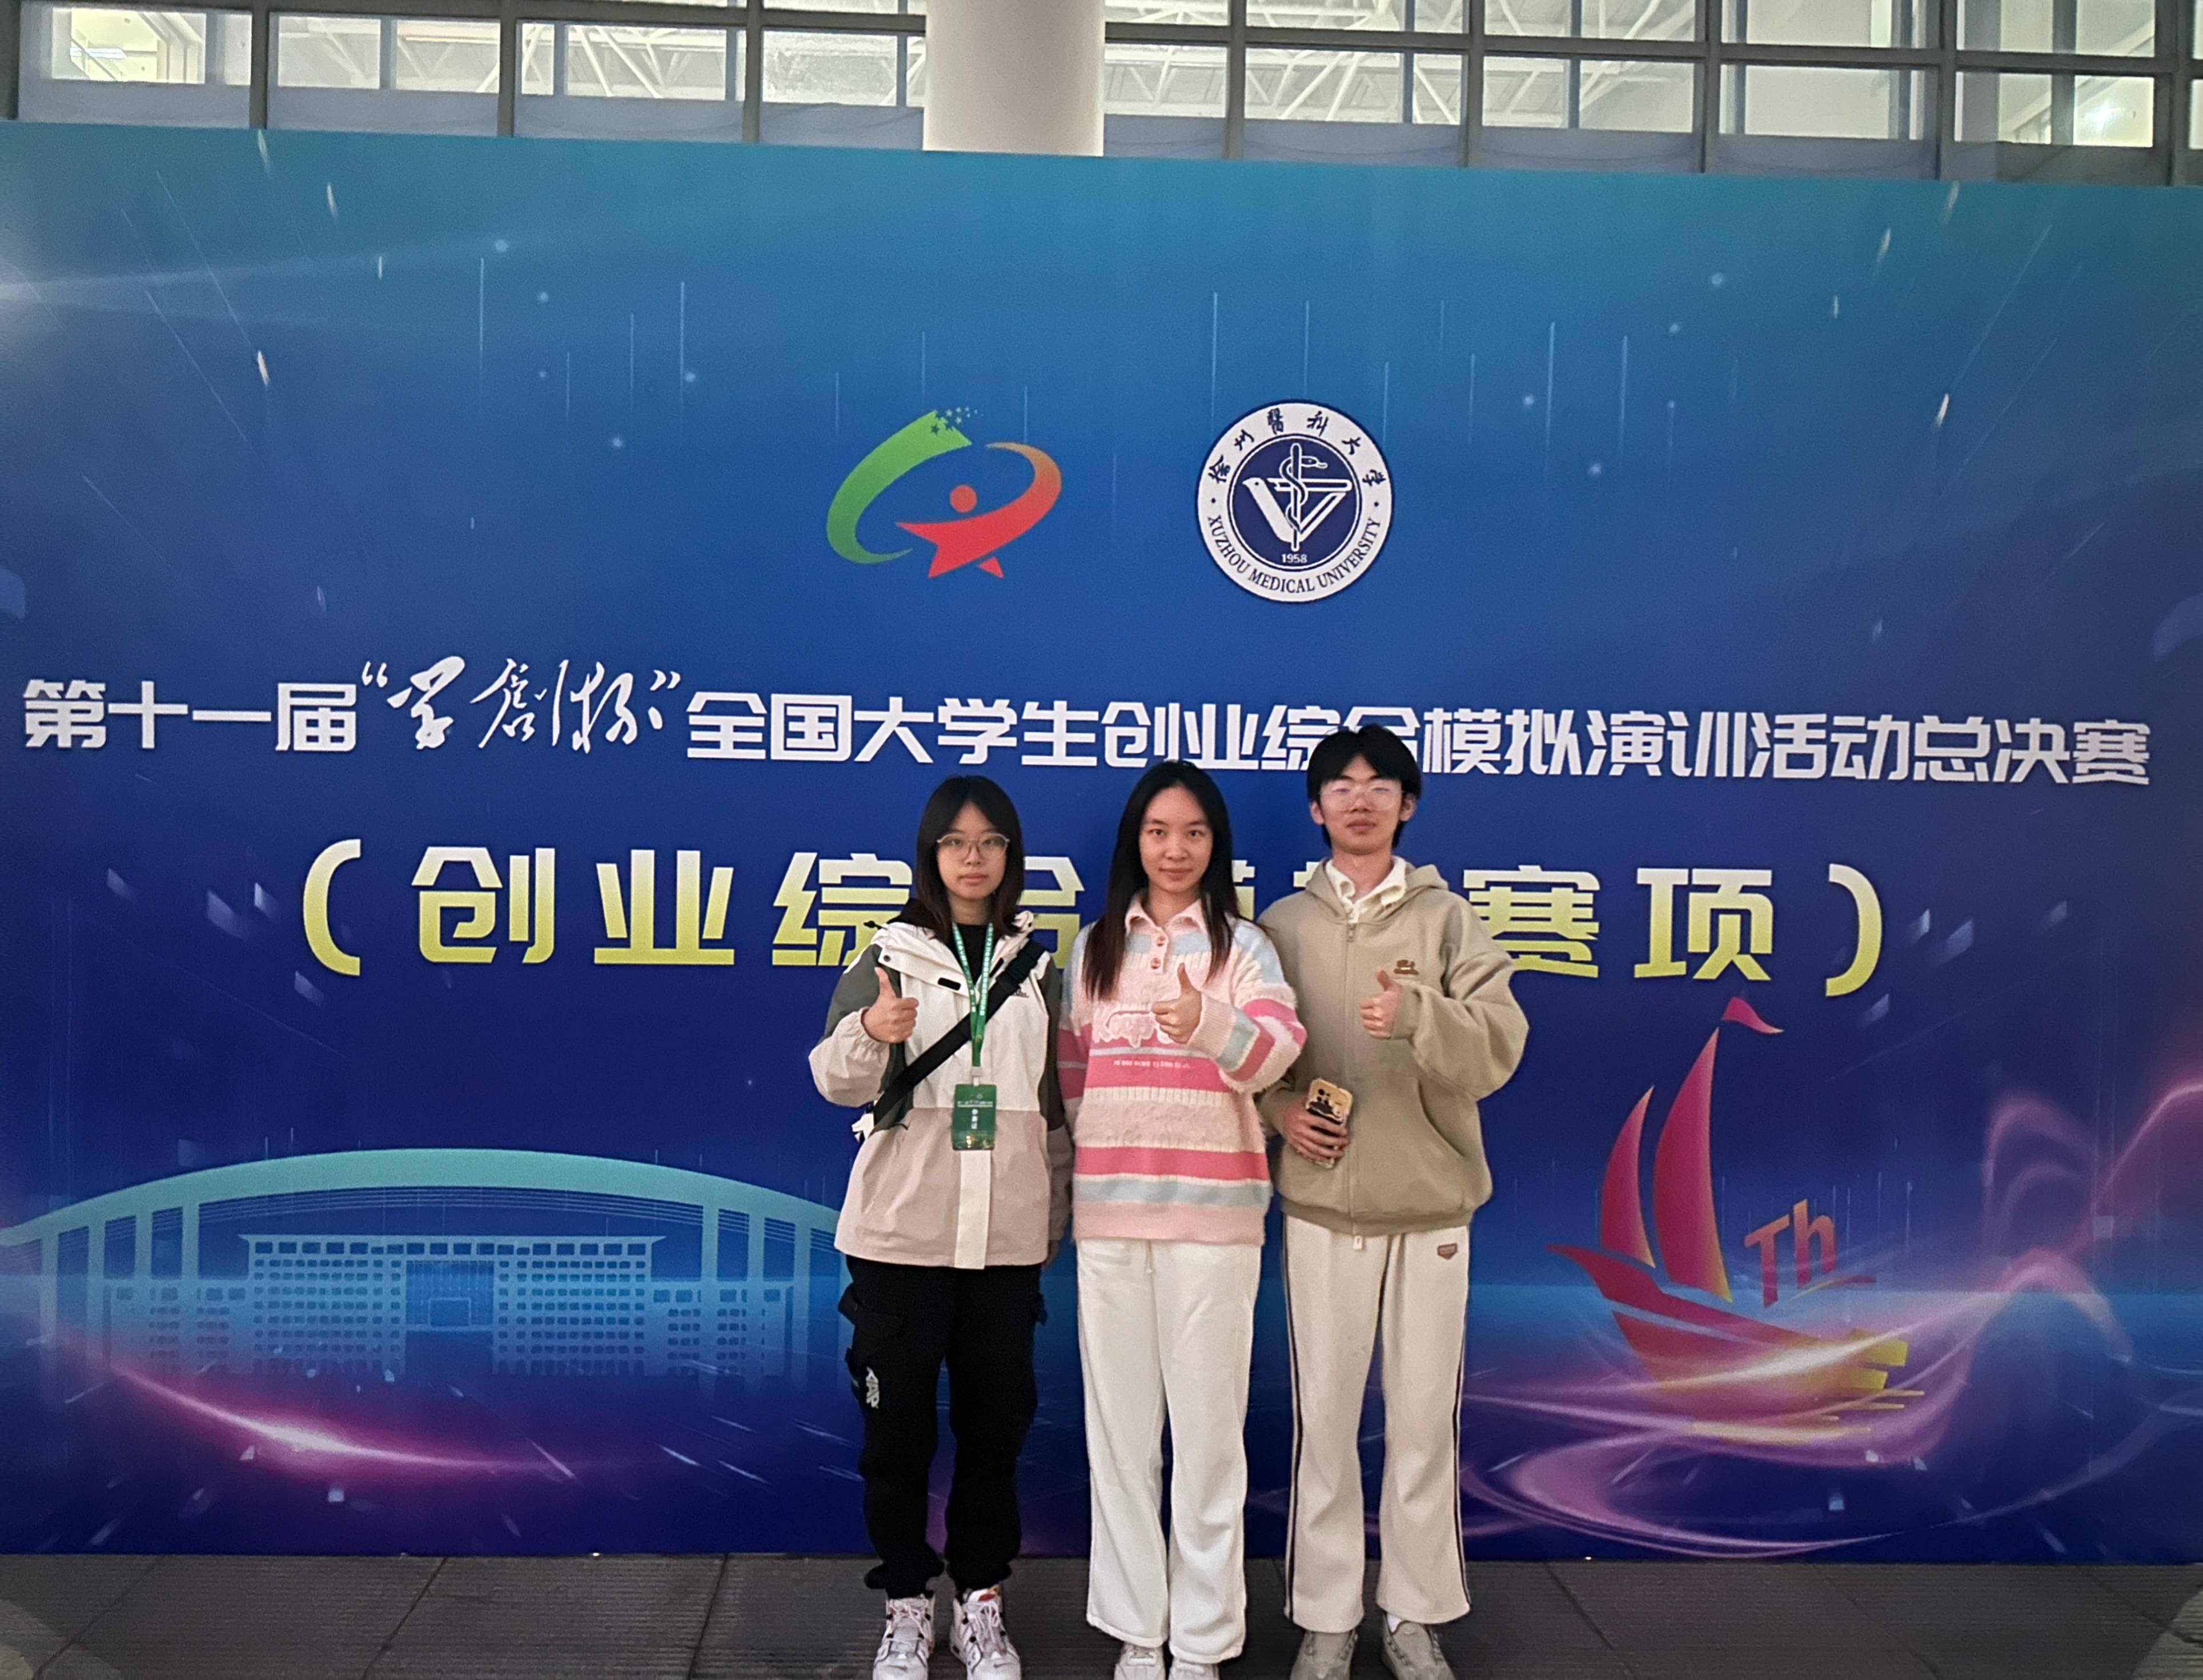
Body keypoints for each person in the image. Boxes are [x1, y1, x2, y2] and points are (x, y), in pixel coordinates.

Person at [1257, 726, 1530, 1680]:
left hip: (1431, 1209)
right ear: (1315, 807)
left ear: (1407, 804)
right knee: (1325, 1427)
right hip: (1322, 1209)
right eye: (1341, 785)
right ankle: (1326, 1618)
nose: (1361, 799)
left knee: (1421, 1425)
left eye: (1380, 785)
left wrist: (1420, 1016)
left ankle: (1413, 1615)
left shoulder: (1447, 919)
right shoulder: (1280, 925)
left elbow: (1499, 1042)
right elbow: (1250, 1053)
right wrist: (1278, 1110)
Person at [809, 775, 1072, 1680]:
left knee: (995, 1435)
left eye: (990, 841)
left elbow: (1055, 1114)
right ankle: (906, 1604)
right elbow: (834, 1080)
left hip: (1003, 1248)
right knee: (896, 1441)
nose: (973, 858)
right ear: (929, 854)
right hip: (901, 1242)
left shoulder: (1038, 971)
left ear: (1011, 856)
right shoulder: (887, 956)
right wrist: (872, 1028)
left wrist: (1049, 1224)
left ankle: (981, 1601)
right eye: (955, 842)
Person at [1058, 761, 1306, 1680]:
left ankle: (1201, 1641)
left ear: (1215, 844)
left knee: (1206, 1441)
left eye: (1193, 832)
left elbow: (1277, 1051)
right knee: (1120, 1438)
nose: (1175, 849)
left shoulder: (1244, 947)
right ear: (1135, 840)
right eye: (1158, 831)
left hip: (1214, 1221)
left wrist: (1205, 1018)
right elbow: (1074, 1081)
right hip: (1112, 1221)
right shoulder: (1093, 950)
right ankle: (1138, 1631)